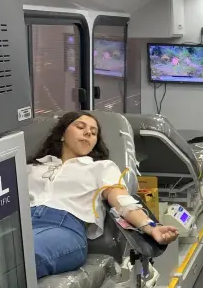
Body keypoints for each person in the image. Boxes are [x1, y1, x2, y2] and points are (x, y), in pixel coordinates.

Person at [28, 111, 179, 278]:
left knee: (24, 257)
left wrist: (150, 227)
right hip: (19, 226)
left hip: (64, 229)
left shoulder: (101, 168)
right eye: (80, 127)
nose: (88, 133)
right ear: (62, 134)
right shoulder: (31, 168)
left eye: (94, 133)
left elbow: (122, 201)